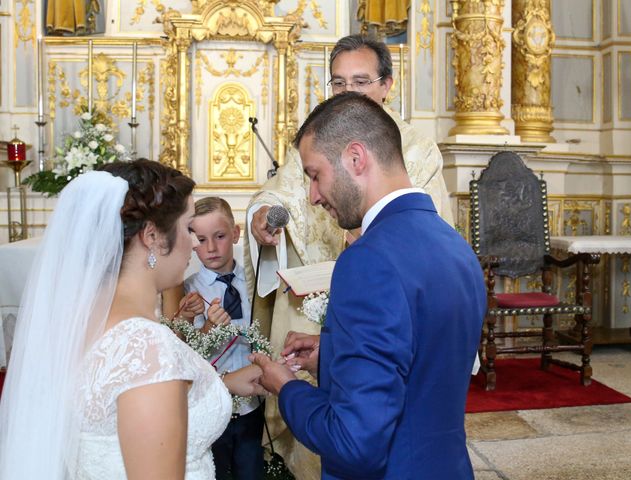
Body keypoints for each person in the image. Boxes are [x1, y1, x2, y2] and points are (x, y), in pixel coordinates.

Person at [243, 34, 454, 478]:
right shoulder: (315, 136)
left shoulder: (415, 147)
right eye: (338, 83)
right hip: (315, 298)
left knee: (360, 426)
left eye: (360, 81)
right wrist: (266, 215)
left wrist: (285, 387)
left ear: (386, 85)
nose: (348, 92)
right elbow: (283, 195)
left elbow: (425, 230)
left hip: (376, 286)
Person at [0, 159, 265, 479]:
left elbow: (119, 404)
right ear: (152, 236)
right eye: (188, 228)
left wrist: (222, 386)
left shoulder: (81, 322)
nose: (195, 243)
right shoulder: (146, 347)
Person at [184, 196, 264, 480]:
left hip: (251, 405)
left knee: (251, 470)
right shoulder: (188, 292)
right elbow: (184, 350)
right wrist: (205, 328)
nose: (211, 248)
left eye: (219, 237)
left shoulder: (255, 283)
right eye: (202, 239)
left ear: (235, 234)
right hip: (211, 403)